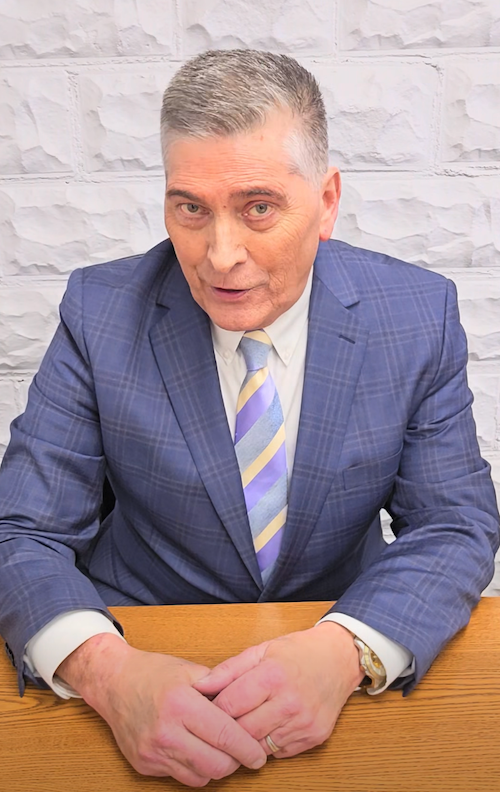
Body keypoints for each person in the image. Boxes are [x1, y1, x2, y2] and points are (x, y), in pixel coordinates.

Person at [0, 49, 498, 787]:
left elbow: (455, 524)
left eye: (258, 207)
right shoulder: (98, 312)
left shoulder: (416, 316)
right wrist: (106, 673)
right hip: (138, 649)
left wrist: (345, 651)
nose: (220, 256)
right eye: (190, 209)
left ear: (326, 201)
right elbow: (22, 530)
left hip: (335, 659)